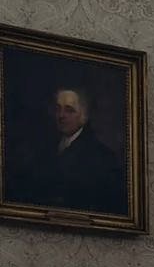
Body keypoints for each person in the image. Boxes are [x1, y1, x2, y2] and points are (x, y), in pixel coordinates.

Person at [10, 86, 124, 215]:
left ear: (84, 115)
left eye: (69, 110)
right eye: (58, 109)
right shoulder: (45, 148)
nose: (61, 115)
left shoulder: (101, 156)